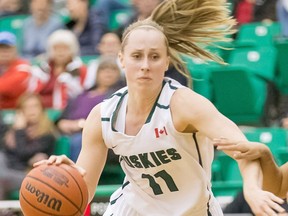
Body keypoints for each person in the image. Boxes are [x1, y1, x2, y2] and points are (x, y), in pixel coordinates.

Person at [34, 0, 286, 215]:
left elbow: (245, 150)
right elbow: (84, 189)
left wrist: (252, 188)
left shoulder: (184, 104)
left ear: (167, 62)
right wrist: (68, 177)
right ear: (121, 58)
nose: (145, 65)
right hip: (130, 209)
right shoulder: (103, 115)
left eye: (154, 56)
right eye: (136, 56)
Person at [56, 56, 125, 162]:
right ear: (96, 74)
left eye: (112, 69)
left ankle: (77, 176)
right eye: (103, 69)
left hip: (99, 136)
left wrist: (81, 125)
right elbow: (62, 118)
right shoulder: (82, 94)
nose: (108, 72)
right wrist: (62, 123)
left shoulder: (119, 96)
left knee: (78, 141)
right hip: (69, 133)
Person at [0, 93, 57, 200]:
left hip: (31, 176)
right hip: (9, 171)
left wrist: (19, 131)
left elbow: (22, 153)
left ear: (42, 109)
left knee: (1, 179)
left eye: (35, 106)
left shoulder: (47, 134)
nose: (32, 110)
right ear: (20, 112)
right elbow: (8, 154)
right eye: (27, 107)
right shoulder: (12, 133)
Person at [29, 29, 87, 109]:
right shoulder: (42, 68)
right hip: (40, 111)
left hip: (69, 111)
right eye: (56, 48)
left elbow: (83, 94)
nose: (60, 52)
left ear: (72, 50)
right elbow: (31, 91)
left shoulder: (80, 69)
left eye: (65, 48)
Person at [0, 31, 31, 109]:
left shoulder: (23, 66)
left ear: (15, 50)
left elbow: (8, 87)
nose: (4, 52)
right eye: (1, 48)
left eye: (8, 48)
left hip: (17, 110)